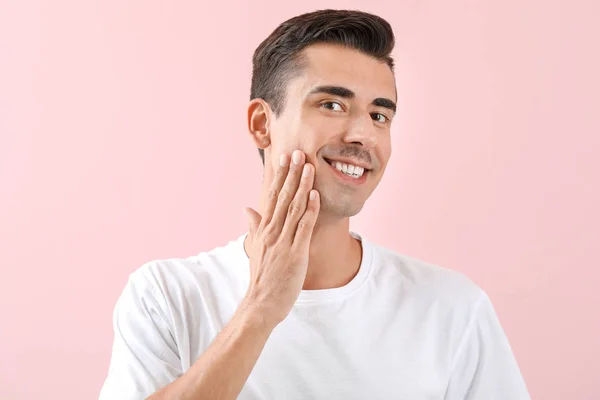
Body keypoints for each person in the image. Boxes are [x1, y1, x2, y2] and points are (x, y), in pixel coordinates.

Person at [99, 9, 530, 400]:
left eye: (380, 115)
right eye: (332, 105)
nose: (363, 135)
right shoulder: (166, 296)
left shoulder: (451, 309)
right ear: (262, 124)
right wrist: (261, 308)